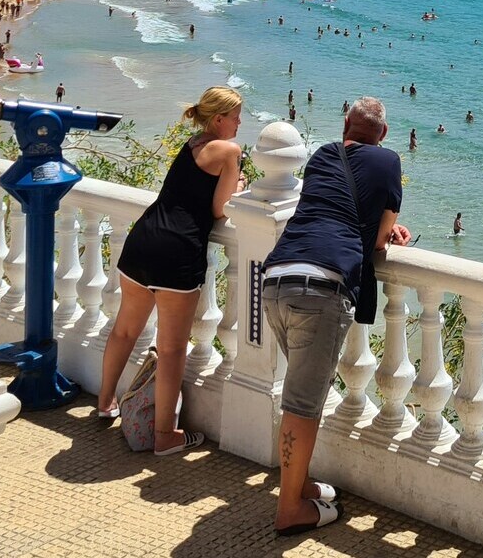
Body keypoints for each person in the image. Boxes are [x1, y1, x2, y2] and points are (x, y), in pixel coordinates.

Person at [262, 96, 410, 536]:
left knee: (302, 392)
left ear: (345, 125)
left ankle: (300, 483)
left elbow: (331, 209)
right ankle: (290, 509)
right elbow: (381, 238)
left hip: (276, 278)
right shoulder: (389, 161)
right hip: (321, 289)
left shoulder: (325, 154)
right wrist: (392, 232)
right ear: (382, 134)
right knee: (303, 406)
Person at [97, 87, 244, 453]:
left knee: (125, 330)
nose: (241, 123)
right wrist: (239, 185)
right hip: (178, 250)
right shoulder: (229, 150)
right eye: (237, 116)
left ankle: (104, 403)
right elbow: (218, 210)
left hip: (144, 239)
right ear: (219, 119)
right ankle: (165, 436)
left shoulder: (194, 141)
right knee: (173, 347)